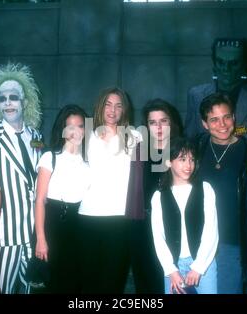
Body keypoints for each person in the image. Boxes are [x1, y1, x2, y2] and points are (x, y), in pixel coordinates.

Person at [0, 62, 43, 294]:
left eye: (14, 97)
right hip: (2, 237)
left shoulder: (36, 137)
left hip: (33, 235)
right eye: (3, 98)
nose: (8, 103)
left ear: (24, 102)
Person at [78, 87, 140, 294]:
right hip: (88, 215)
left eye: (118, 105)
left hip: (119, 217)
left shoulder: (134, 136)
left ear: (124, 110)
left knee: (113, 280)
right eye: (108, 104)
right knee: (89, 278)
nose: (112, 110)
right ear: (100, 106)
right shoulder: (86, 136)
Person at [194, 93, 247, 294]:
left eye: (226, 117)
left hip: (230, 242)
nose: (222, 124)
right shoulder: (196, 147)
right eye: (214, 119)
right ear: (204, 123)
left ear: (234, 118)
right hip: (196, 240)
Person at [125, 98, 183, 294]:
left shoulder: (183, 151)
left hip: (175, 228)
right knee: (146, 284)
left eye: (163, 121)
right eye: (152, 122)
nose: (158, 127)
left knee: (172, 283)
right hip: (144, 228)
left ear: (171, 122)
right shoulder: (139, 151)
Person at [151, 137, 218, 294]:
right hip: (173, 265)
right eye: (182, 159)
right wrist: (171, 270)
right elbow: (158, 237)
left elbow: (211, 231)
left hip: (203, 263)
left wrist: (198, 267)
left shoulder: (205, 189)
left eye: (192, 160)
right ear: (168, 162)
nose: (188, 165)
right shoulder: (158, 196)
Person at [34, 104, 89, 293]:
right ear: (63, 130)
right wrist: (41, 238)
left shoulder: (89, 162)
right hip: (54, 226)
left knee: (76, 282)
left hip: (80, 227)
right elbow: (40, 200)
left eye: (80, 126)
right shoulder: (50, 157)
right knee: (54, 284)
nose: (76, 131)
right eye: (70, 126)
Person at [184, 38, 247, 145]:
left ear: (243, 65)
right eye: (220, 62)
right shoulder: (196, 95)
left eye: (233, 63)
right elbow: (189, 139)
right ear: (214, 63)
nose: (226, 69)